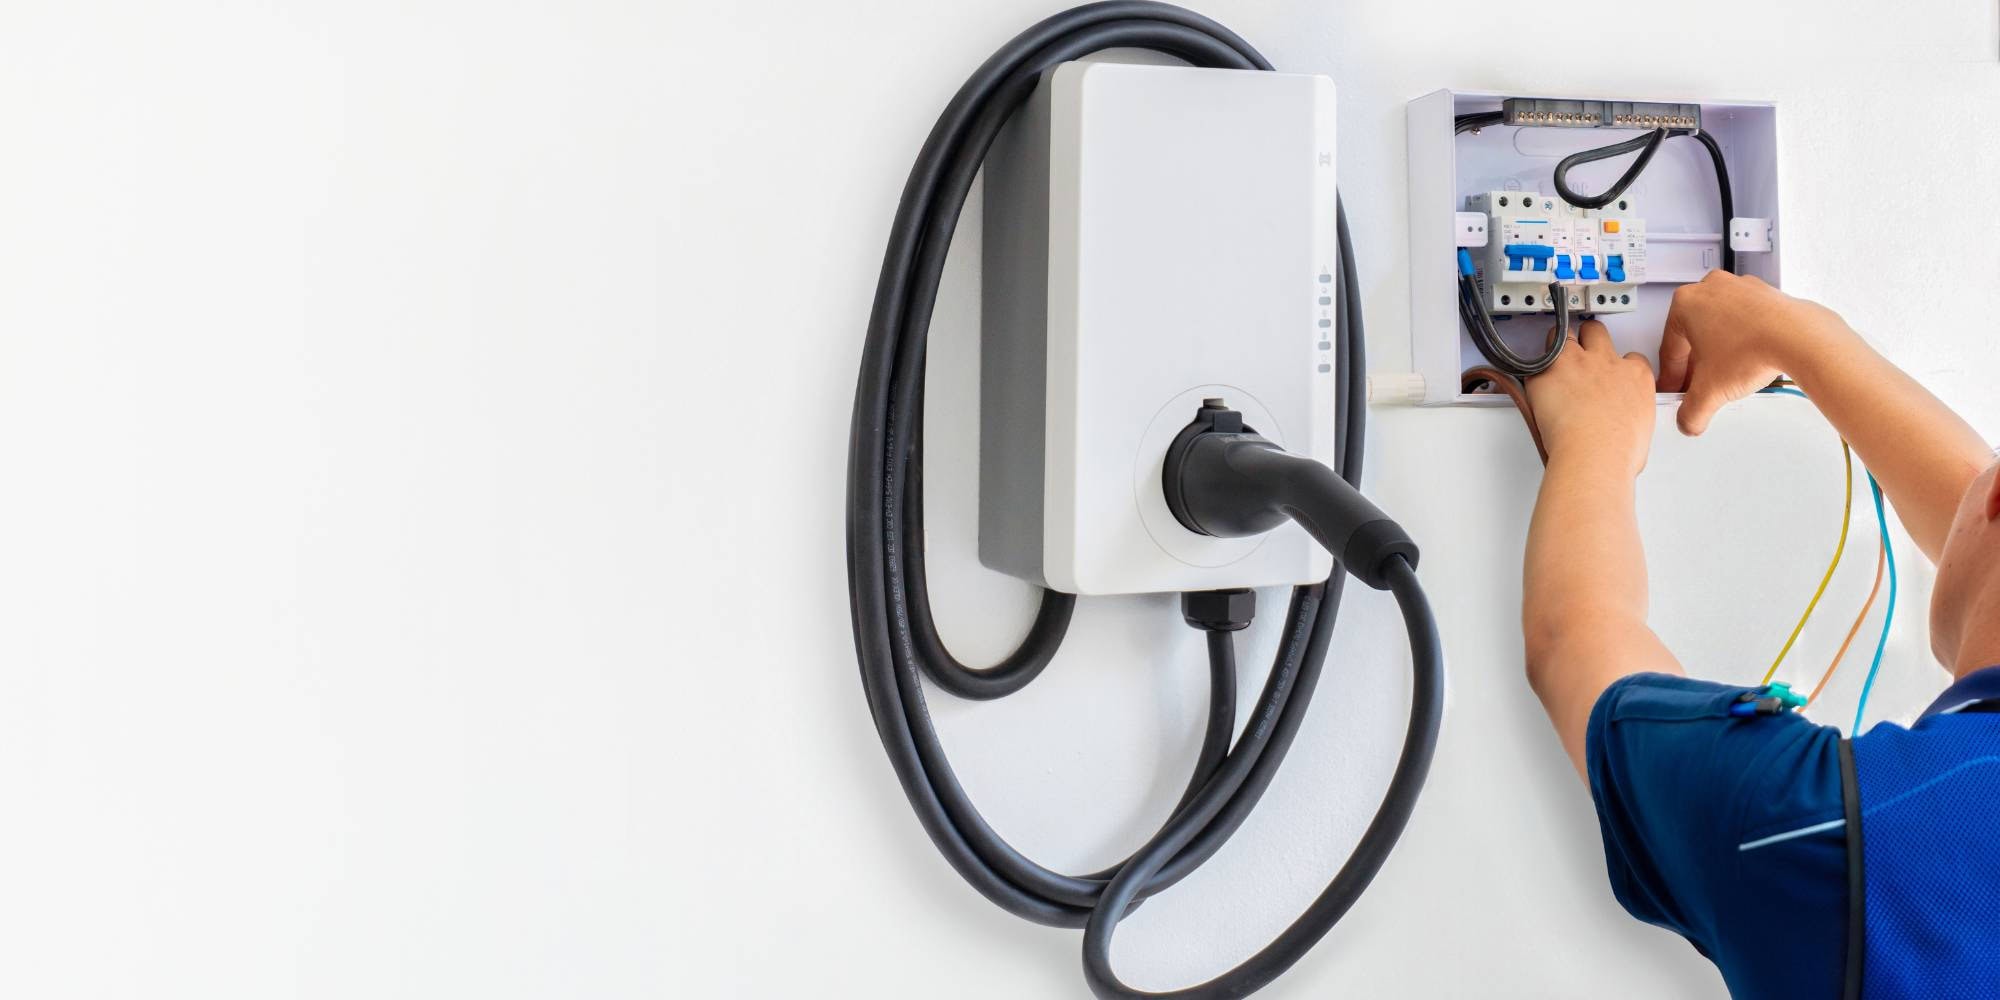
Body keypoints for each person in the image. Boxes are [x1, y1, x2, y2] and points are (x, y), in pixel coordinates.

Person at [1520, 269, 2000, 999]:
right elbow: (1973, 516)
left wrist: (1595, 438)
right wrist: (1795, 335)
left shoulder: (1819, 828)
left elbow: (1575, 640)